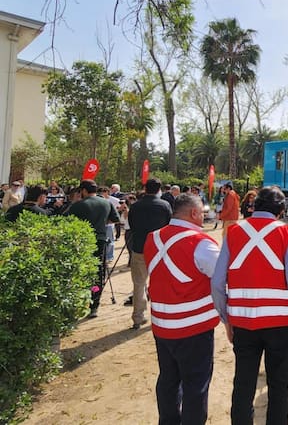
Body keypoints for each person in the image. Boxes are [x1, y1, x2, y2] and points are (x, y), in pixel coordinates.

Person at [211, 186, 288, 425]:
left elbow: (216, 282)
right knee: (278, 387)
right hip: (280, 324)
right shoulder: (286, 233)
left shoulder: (234, 232)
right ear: (281, 210)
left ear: (254, 206)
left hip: (243, 322)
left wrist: (226, 319)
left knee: (243, 385)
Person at [144, 193, 220, 425]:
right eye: (203, 212)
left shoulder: (152, 238)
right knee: (196, 385)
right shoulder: (202, 243)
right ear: (194, 213)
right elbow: (222, 278)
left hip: (161, 325)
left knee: (168, 379)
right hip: (194, 327)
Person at [65, 180, 120, 318]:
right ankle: (94, 304)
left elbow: (66, 220)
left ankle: (78, 302)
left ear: (83, 190)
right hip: (100, 240)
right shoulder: (106, 203)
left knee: (80, 271)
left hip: (82, 242)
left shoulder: (78, 205)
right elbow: (115, 219)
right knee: (98, 273)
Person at [127, 178, 173, 330]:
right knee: (161, 283)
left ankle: (137, 318)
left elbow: (132, 226)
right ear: (159, 189)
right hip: (159, 249)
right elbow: (169, 225)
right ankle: (162, 315)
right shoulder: (164, 205)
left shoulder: (135, 206)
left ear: (145, 188)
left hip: (139, 248)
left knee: (139, 284)